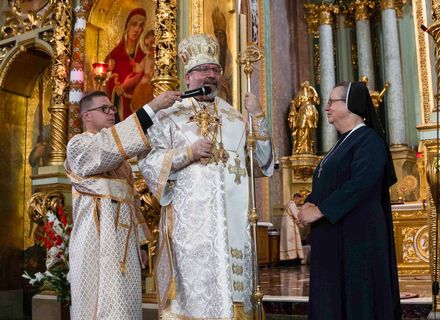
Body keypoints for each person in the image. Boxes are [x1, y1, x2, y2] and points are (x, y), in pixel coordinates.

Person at [138, 33, 274, 319]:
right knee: (195, 298)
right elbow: (148, 164)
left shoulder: (236, 117)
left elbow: (261, 163)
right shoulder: (169, 115)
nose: (210, 75)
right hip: (192, 226)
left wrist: (258, 116)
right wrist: (186, 154)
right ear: (188, 77)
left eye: (215, 70)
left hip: (234, 223)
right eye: (203, 70)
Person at [65, 89, 182, 319]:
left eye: (112, 108)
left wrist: (139, 243)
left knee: (124, 304)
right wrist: (152, 107)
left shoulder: (123, 164)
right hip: (95, 240)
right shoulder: (78, 145)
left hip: (123, 244)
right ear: (87, 115)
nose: (111, 113)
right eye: (104, 109)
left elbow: (131, 202)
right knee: (98, 303)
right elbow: (106, 148)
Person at [298, 81, 401, 319]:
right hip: (334, 240)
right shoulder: (342, 143)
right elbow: (329, 183)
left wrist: (321, 210)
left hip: (357, 241)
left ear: (351, 104)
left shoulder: (369, 141)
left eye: (332, 101)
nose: (326, 107)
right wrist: (308, 204)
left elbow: (360, 185)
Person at [105, 8, 146, 121]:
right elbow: (105, 84)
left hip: (139, 110)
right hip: (119, 113)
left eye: (141, 26)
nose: (137, 29)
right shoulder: (114, 56)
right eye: (134, 24)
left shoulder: (144, 57)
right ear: (127, 25)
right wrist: (123, 86)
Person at [131, 29, 155, 112]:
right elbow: (139, 68)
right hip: (143, 84)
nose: (149, 47)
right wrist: (132, 63)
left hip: (152, 84)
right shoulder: (147, 57)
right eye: (147, 45)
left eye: (152, 42)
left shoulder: (160, 57)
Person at [279, 193, 304, 264]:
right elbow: (296, 215)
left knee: (288, 241)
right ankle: (291, 259)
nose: (299, 202)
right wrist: (301, 223)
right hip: (290, 225)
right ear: (296, 198)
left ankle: (287, 257)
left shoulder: (289, 203)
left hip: (287, 224)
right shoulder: (292, 204)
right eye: (299, 200)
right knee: (291, 240)